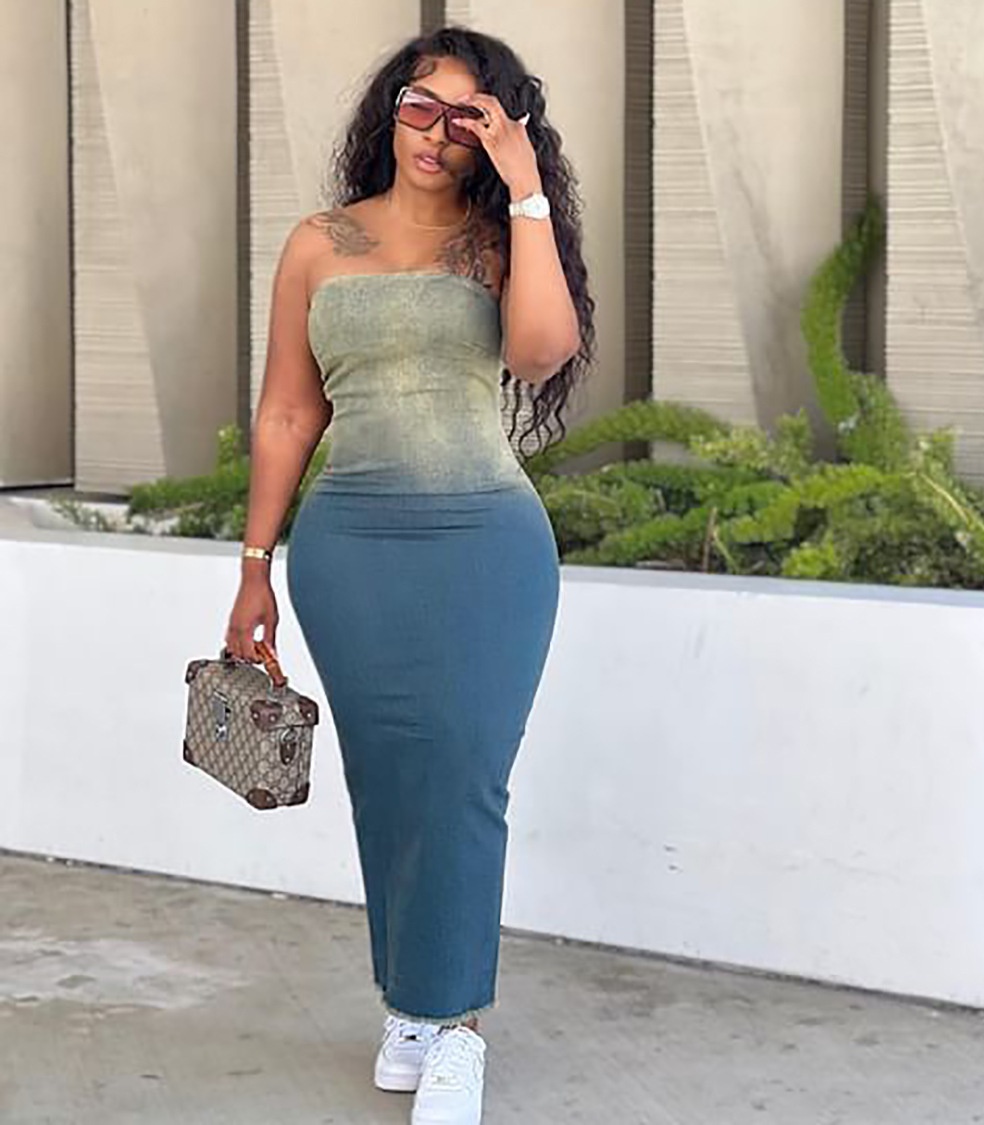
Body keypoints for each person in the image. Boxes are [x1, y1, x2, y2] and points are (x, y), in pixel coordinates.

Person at [224, 25, 594, 1125]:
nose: (435, 133)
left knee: (464, 772)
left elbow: (540, 351)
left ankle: (457, 1026)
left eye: (466, 118)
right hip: (350, 551)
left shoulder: (500, 240)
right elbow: (287, 413)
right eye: (419, 106)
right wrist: (254, 567)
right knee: (387, 775)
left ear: (498, 134)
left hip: (488, 546)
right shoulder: (318, 243)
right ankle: (412, 1005)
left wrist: (526, 192)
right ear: (390, 110)